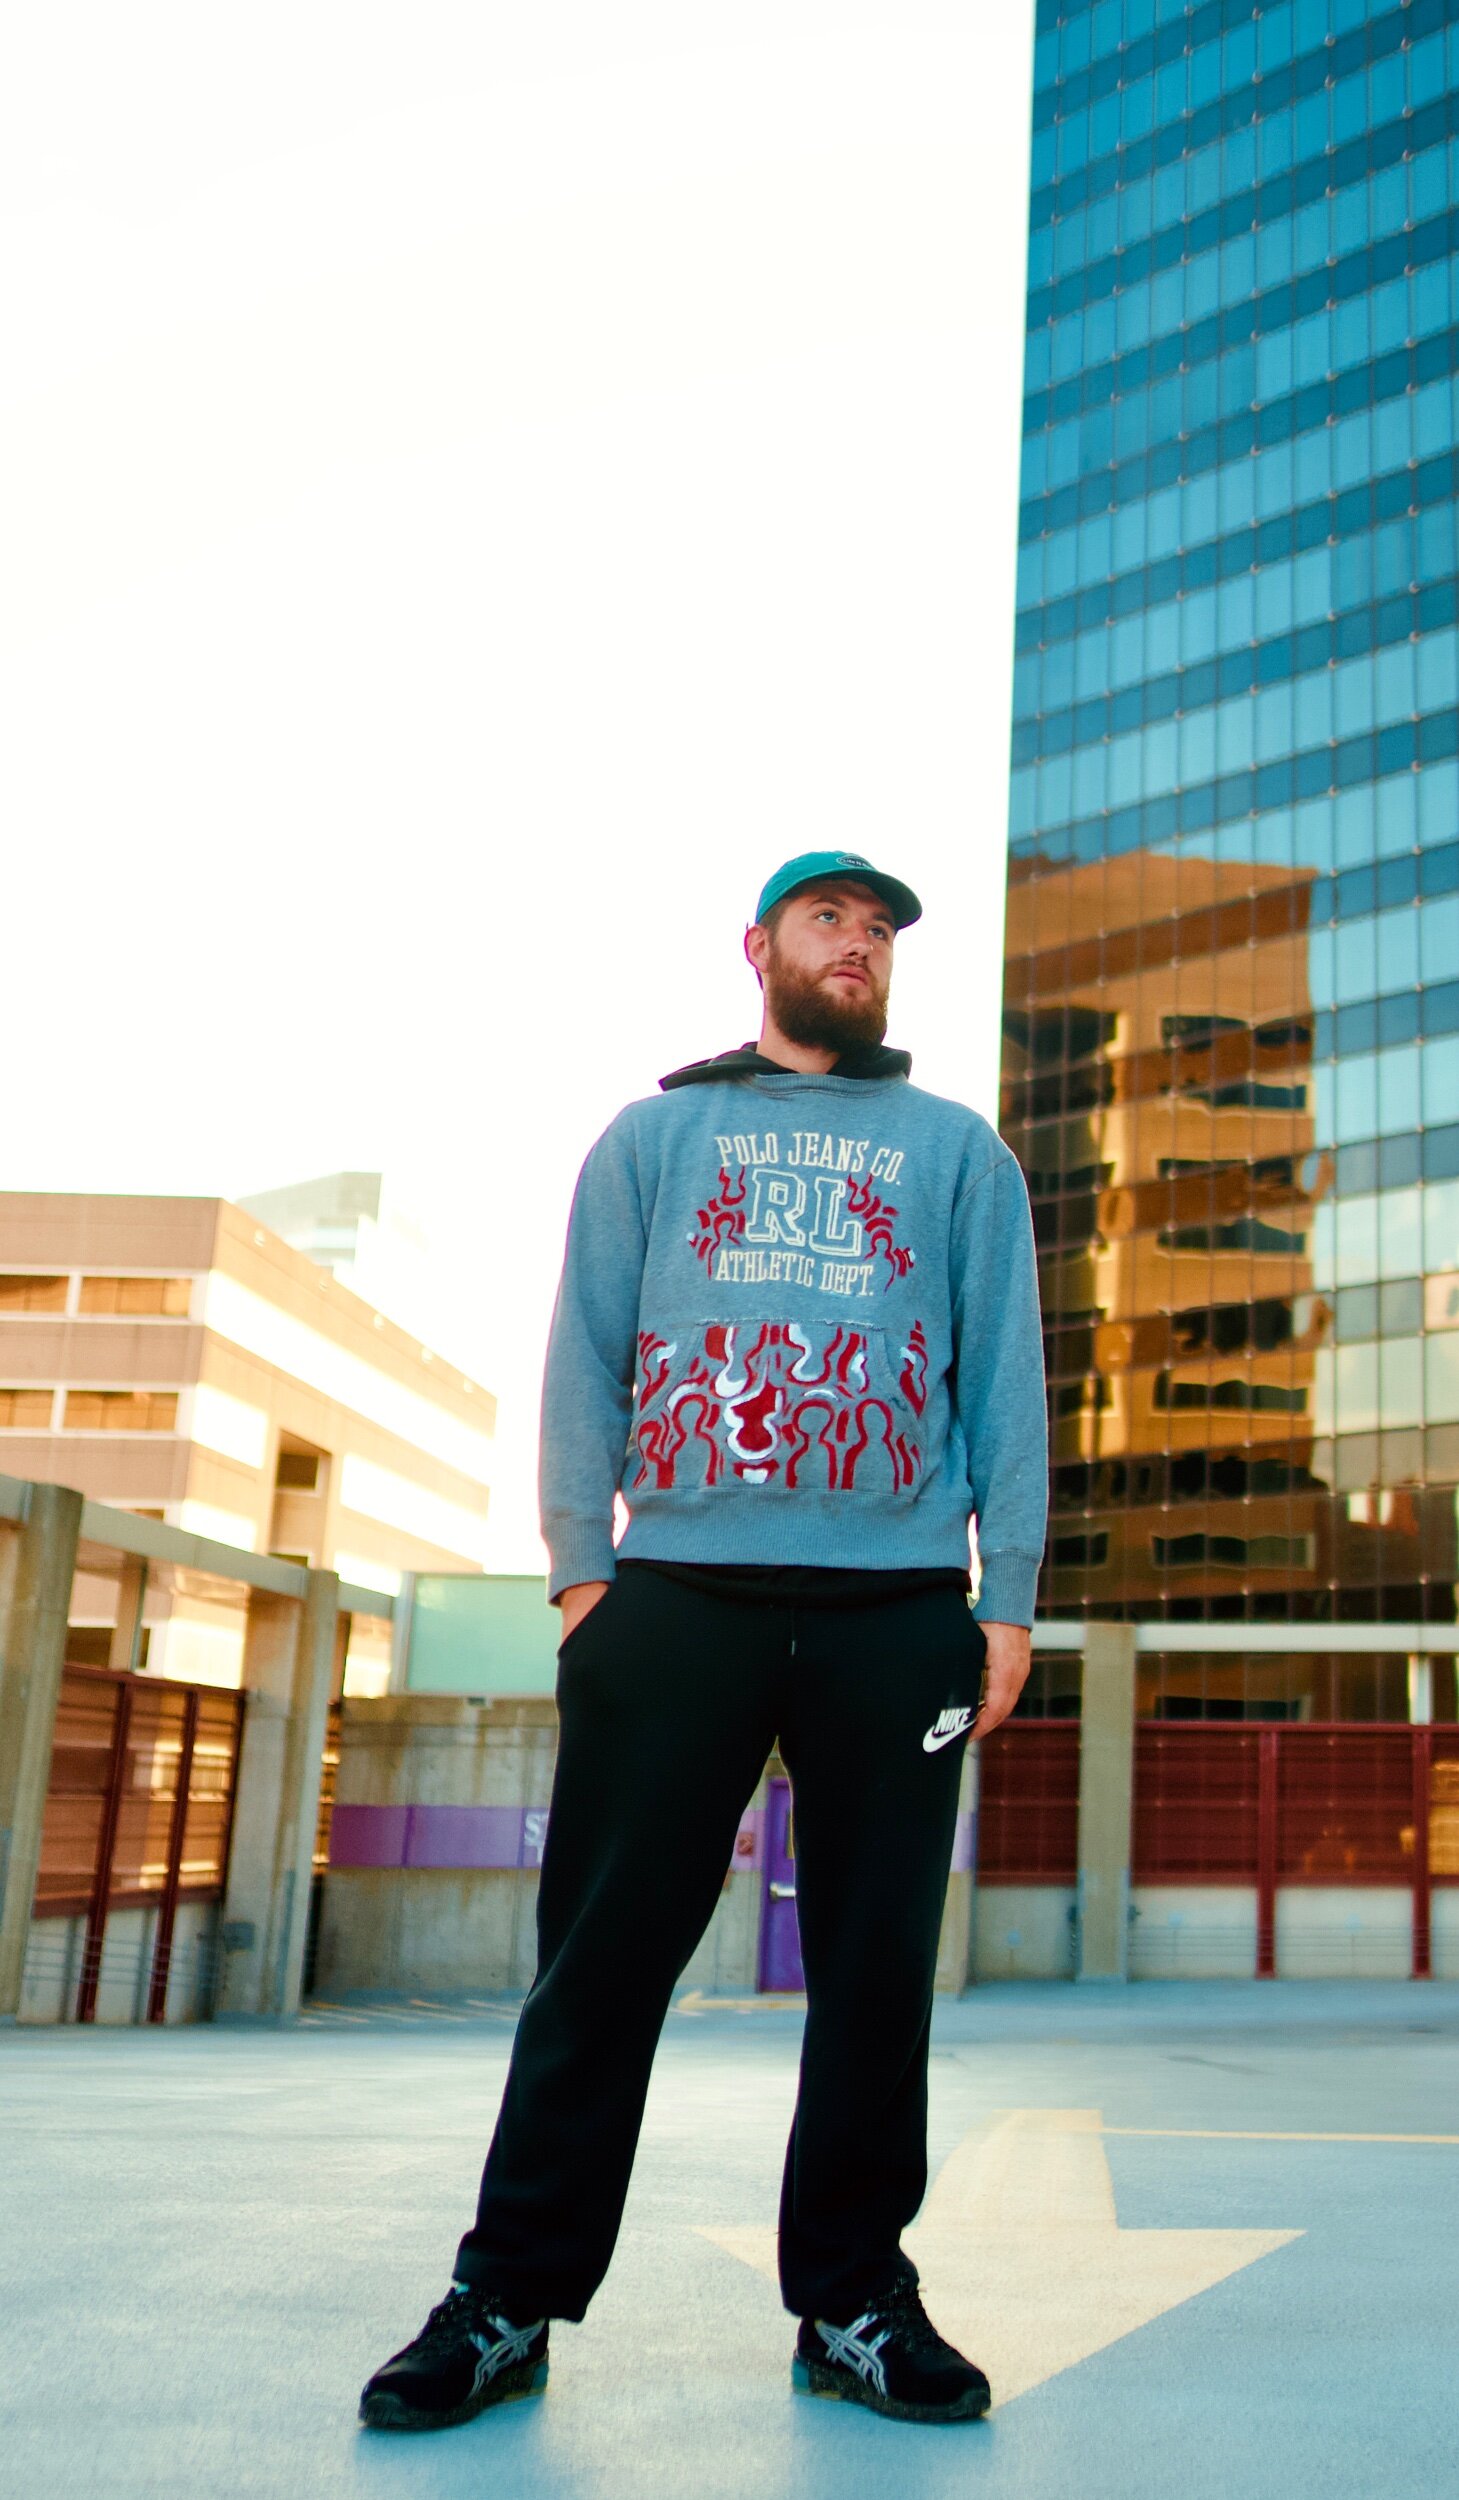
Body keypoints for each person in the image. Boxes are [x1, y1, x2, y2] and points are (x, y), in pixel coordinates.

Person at [360, 850, 1047, 2432]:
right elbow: (586, 1348)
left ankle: (856, 2301)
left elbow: (1005, 1379)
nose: (858, 944)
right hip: (675, 1596)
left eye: (878, 929)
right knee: (601, 1965)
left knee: (877, 1971)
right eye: (830, 919)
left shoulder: (959, 1154)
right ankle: (507, 2296)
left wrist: (1002, 1595)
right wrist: (583, 1575)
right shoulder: (658, 1135)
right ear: (759, 948)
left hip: (894, 1612)